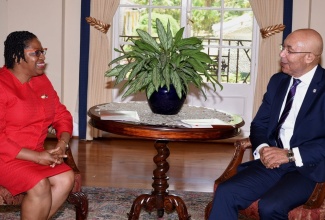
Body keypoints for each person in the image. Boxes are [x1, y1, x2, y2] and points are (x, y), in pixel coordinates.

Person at [209, 28, 325, 219]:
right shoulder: (278, 81)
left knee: (270, 207)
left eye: (289, 50)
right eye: (283, 47)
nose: (282, 54)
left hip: (307, 169)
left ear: (309, 57)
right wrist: (263, 149)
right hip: (271, 163)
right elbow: (259, 125)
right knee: (226, 192)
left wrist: (289, 155)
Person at [0, 31, 74, 219]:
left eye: (43, 51)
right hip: (6, 157)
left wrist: (62, 144)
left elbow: (61, 114)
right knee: (39, 184)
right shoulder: (2, 86)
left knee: (66, 179)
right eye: (36, 53)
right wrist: (37, 157)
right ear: (17, 57)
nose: (42, 57)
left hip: (36, 153)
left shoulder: (41, 81)